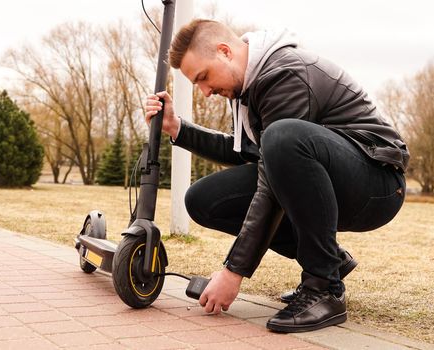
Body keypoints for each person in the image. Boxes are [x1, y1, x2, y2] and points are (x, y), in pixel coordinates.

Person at [144, 19, 409, 333]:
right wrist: (179, 130)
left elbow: (274, 169)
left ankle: (324, 288)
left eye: (203, 77)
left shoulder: (284, 73)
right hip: (329, 175)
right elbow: (249, 154)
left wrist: (232, 272)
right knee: (204, 199)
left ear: (225, 52)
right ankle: (330, 259)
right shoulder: (248, 89)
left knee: (283, 138)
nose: (204, 92)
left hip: (376, 181)